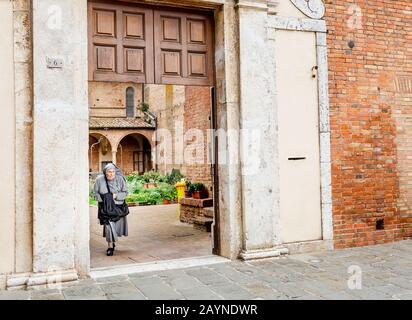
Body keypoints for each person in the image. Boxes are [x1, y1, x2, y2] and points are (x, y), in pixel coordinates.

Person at [93, 163, 129, 256]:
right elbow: (95, 193)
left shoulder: (120, 179)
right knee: (108, 226)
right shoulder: (99, 180)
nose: (111, 174)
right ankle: (109, 246)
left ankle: (113, 241)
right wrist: (104, 199)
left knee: (116, 227)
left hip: (118, 207)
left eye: (113, 172)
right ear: (105, 172)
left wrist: (116, 196)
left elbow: (126, 192)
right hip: (105, 208)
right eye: (109, 172)